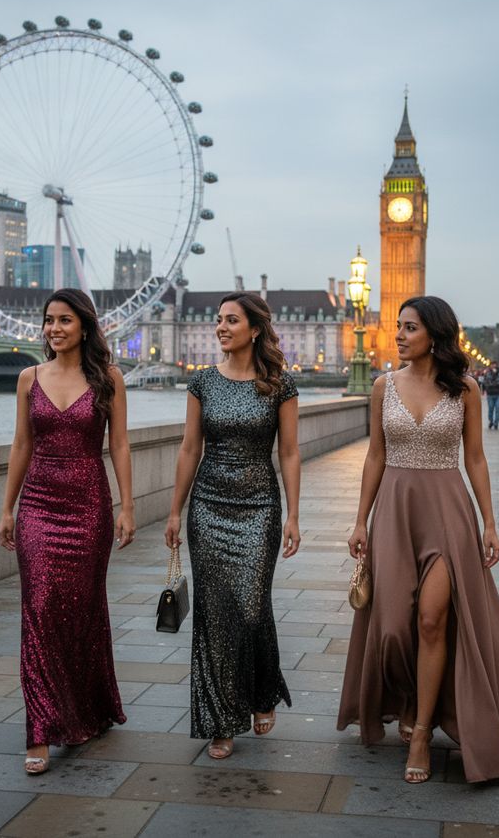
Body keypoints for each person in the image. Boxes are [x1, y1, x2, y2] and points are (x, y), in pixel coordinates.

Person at [337, 296, 499, 783]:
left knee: (434, 620)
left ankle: (421, 736)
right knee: (393, 627)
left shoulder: (467, 390)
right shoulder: (382, 387)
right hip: (395, 511)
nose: (397, 335)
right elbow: (375, 456)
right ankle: (414, 697)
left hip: (448, 513)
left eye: (408, 327)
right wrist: (359, 521)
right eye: (398, 326)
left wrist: (490, 522)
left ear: (433, 335)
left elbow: (475, 458)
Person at [0, 288, 135, 775]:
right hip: (37, 503)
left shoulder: (108, 379)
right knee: (38, 608)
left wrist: (126, 506)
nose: (54, 329)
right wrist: (8, 507)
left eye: (64, 321)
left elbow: (118, 445)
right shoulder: (27, 378)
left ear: (84, 327)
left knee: (81, 610)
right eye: (49, 321)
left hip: (88, 504)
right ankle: (40, 728)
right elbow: (20, 444)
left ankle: (87, 707)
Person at [164, 292, 301, 760]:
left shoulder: (279, 385)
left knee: (250, 606)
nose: (220, 327)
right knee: (214, 614)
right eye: (217, 319)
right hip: (208, 505)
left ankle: (262, 689)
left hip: (260, 505)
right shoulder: (202, 383)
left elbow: (289, 452)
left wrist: (295, 514)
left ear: (254, 329)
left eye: (231, 320)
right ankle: (220, 718)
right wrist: (174, 511)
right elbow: (188, 449)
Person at [482, 362, 499, 429]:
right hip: (490, 393)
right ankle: (491, 421)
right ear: (490, 366)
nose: (493, 366)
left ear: (496, 365)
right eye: (492, 365)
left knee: (498, 408)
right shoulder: (487, 372)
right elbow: (484, 382)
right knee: (491, 408)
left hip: (498, 394)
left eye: (494, 365)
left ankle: (496, 423)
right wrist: (483, 391)